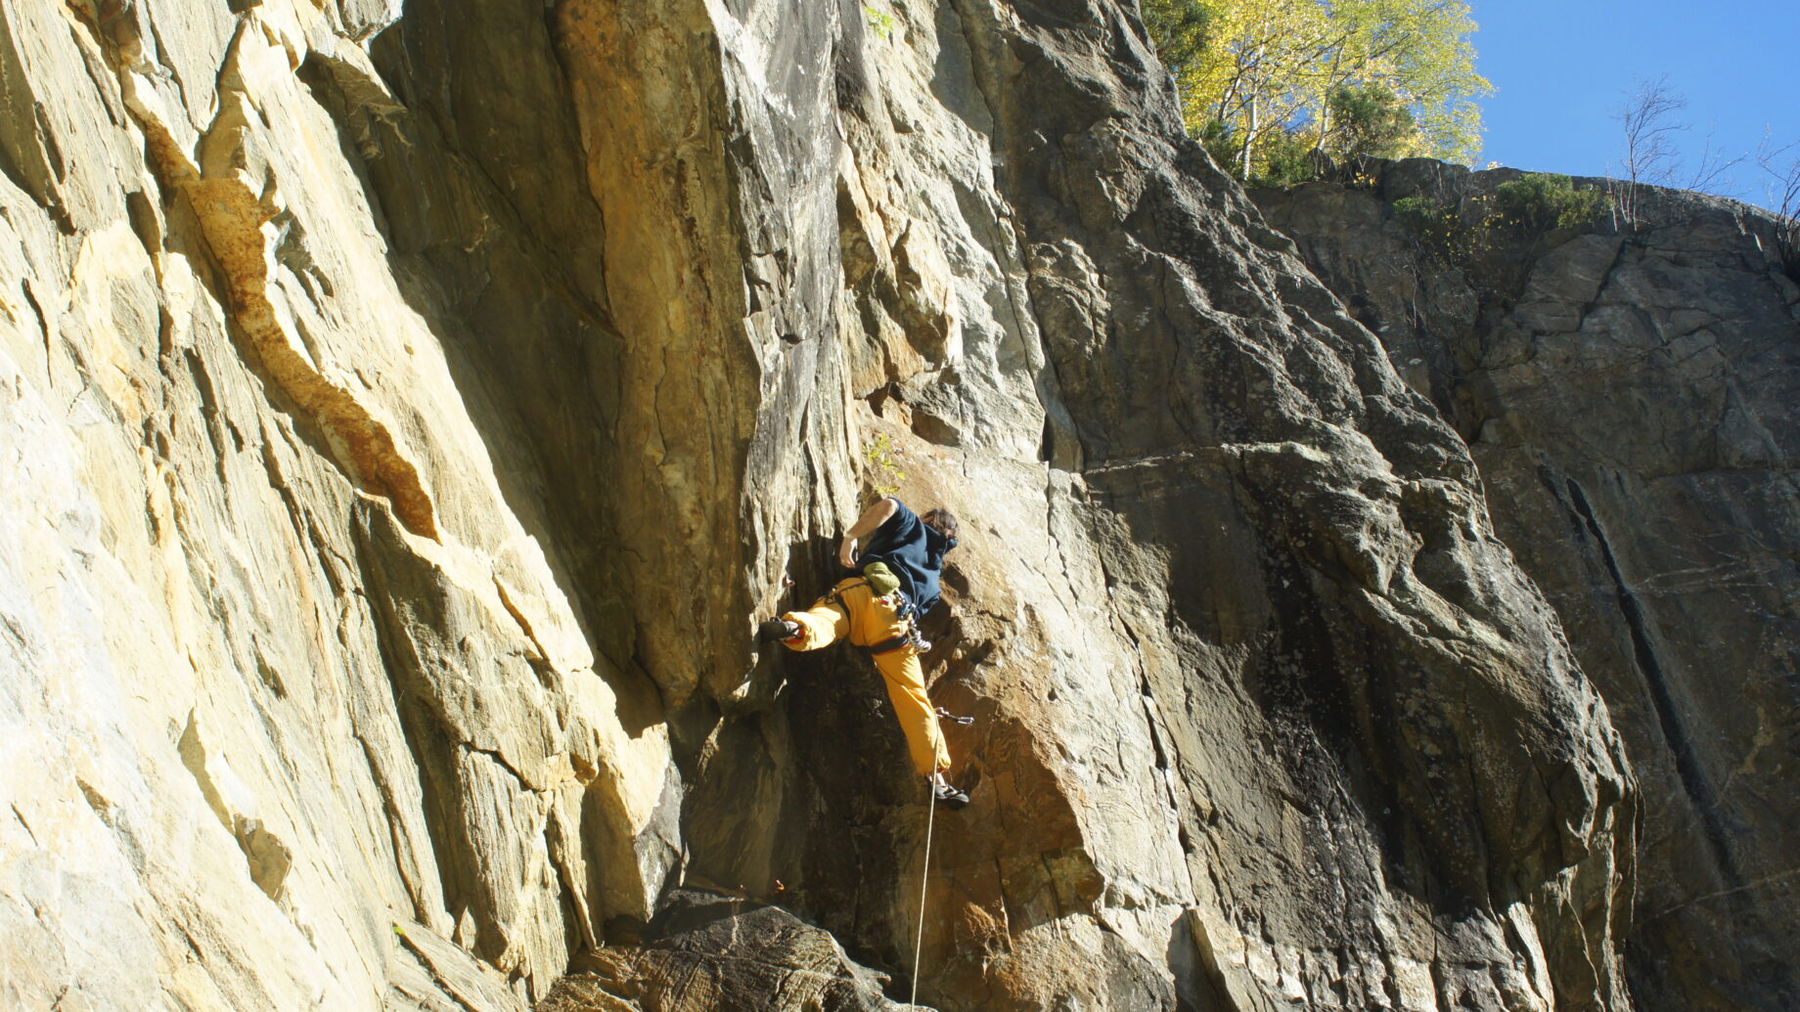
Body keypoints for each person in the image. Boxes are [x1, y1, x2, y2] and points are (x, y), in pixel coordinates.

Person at [761, 497, 970, 808]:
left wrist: (850, 538)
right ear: (950, 540)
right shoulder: (932, 585)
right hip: (894, 622)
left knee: (827, 621)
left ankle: (796, 629)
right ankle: (936, 779)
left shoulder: (913, 525)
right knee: (913, 699)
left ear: (929, 519)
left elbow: (888, 505)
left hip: (860, 591)